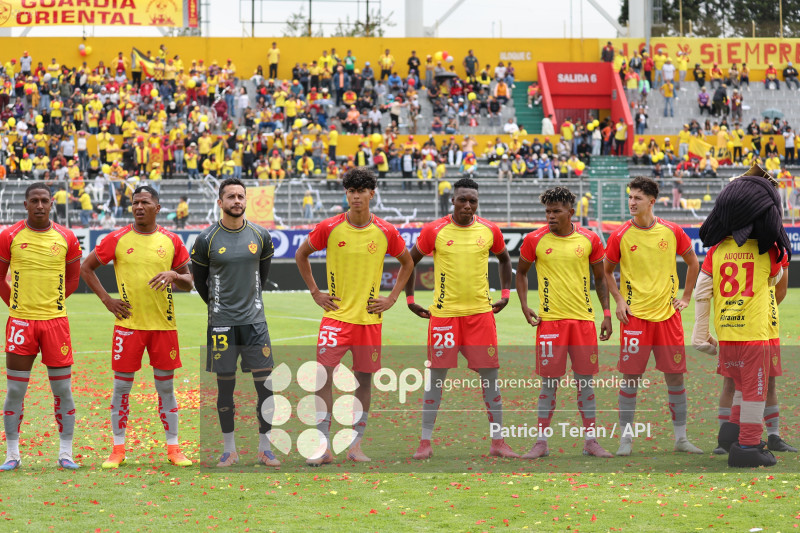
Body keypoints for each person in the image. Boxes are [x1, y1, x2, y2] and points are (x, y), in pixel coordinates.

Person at [295, 168, 414, 466]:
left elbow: (407, 263)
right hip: (336, 317)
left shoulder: (386, 231)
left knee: (363, 380)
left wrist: (393, 297)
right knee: (322, 376)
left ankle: (355, 445)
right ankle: (322, 446)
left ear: (372, 194)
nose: (356, 196)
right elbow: (301, 254)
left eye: (361, 190)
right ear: (346, 194)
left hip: (369, 320)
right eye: (351, 191)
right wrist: (315, 292)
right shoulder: (330, 227)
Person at [405, 177, 519, 460]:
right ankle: (425, 442)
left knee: (490, 378)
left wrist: (506, 293)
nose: (468, 206)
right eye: (462, 200)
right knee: (436, 379)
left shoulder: (489, 230)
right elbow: (410, 261)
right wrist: (409, 300)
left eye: (473, 201)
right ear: (452, 201)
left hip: (480, 316)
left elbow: (505, 260)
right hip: (444, 316)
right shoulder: (435, 230)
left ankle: (498, 442)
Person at [80, 186, 193, 469]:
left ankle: (174, 448)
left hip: (163, 327)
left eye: (145, 202)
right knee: (121, 389)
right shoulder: (117, 238)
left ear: (157, 207)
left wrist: (174, 274)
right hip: (128, 326)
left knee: (166, 389)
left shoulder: (171, 240)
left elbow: (190, 281)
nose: (138, 207)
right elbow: (86, 267)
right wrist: (107, 300)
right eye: (135, 203)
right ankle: (117, 450)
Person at [692, 168, 791, 467]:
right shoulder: (768, 251)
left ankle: (730, 434)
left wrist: (700, 334)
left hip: (727, 333)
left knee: (740, 388)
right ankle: (747, 445)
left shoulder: (716, 251)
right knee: (755, 391)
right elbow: (775, 281)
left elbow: (701, 290)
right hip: (754, 333)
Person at [604, 176, 703, 456]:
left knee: (675, 378)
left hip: (668, 318)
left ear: (651, 201)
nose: (631, 202)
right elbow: (606, 270)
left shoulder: (672, 231)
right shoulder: (620, 234)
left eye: (637, 197)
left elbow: (693, 262)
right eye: (630, 197)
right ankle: (625, 440)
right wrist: (619, 300)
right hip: (634, 318)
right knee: (630, 379)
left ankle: (681, 439)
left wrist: (685, 297)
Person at [515, 187, 614, 459]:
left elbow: (600, 279)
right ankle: (541, 443)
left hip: (582, 321)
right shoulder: (534, 239)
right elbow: (521, 273)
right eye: (547, 211)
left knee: (586, 383)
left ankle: (591, 441)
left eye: (556, 211)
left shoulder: (590, 239)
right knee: (548, 384)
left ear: (571, 212)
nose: (550, 216)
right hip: (550, 323)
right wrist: (524, 304)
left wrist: (606, 313)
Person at [191, 178, 280, 468]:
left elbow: (262, 276)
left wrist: (249, 304)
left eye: (241, 196)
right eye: (231, 197)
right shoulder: (206, 239)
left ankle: (265, 449)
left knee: (266, 388)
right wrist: (220, 308)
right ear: (220, 203)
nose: (237, 201)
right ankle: (229, 450)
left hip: (255, 324)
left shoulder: (261, 235)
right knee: (225, 389)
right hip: (221, 326)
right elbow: (201, 284)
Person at [0, 183, 81, 471]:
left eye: (44, 200)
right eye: (33, 200)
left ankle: (66, 452)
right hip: (20, 323)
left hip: (55, 323)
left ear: (51, 204)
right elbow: (0, 278)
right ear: (25, 204)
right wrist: (18, 306)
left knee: (62, 388)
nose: (39, 205)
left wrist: (51, 303)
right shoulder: (8, 235)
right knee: (14, 392)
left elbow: (72, 279)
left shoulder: (67, 237)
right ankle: (12, 453)